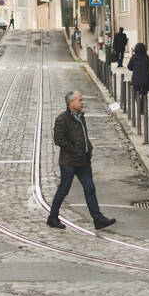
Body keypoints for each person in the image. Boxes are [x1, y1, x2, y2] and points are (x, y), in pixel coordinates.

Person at [48, 90, 116, 230]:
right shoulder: (62, 119)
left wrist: (88, 148)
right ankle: (52, 217)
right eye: (80, 100)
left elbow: (83, 136)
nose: (83, 102)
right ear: (71, 103)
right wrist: (75, 149)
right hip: (69, 162)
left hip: (83, 161)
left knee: (90, 188)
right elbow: (58, 139)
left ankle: (97, 219)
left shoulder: (80, 116)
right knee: (64, 190)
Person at [126, 42, 149, 113]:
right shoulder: (146, 57)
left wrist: (135, 69)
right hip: (145, 80)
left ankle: (139, 104)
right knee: (144, 94)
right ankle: (143, 107)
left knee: (136, 93)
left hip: (136, 79)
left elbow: (129, 67)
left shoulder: (134, 57)